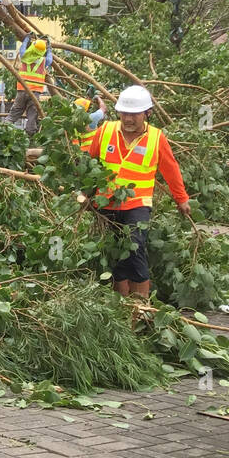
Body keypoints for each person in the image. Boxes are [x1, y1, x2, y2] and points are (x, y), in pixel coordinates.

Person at [78, 84, 191, 299]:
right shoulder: (105, 131)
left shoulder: (156, 138)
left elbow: (171, 170)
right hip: (105, 202)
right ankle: (122, 307)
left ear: (147, 113)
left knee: (134, 247)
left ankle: (143, 306)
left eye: (134, 115)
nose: (128, 119)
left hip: (138, 203)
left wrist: (181, 198)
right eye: (124, 114)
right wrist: (85, 195)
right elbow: (90, 165)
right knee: (114, 252)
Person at [7, 35, 51, 135]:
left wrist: (26, 38)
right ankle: (30, 136)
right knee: (32, 115)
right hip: (35, 93)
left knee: (14, 113)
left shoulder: (23, 57)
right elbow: (50, 58)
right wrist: (49, 48)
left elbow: (22, 49)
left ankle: (3, 128)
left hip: (22, 90)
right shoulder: (44, 61)